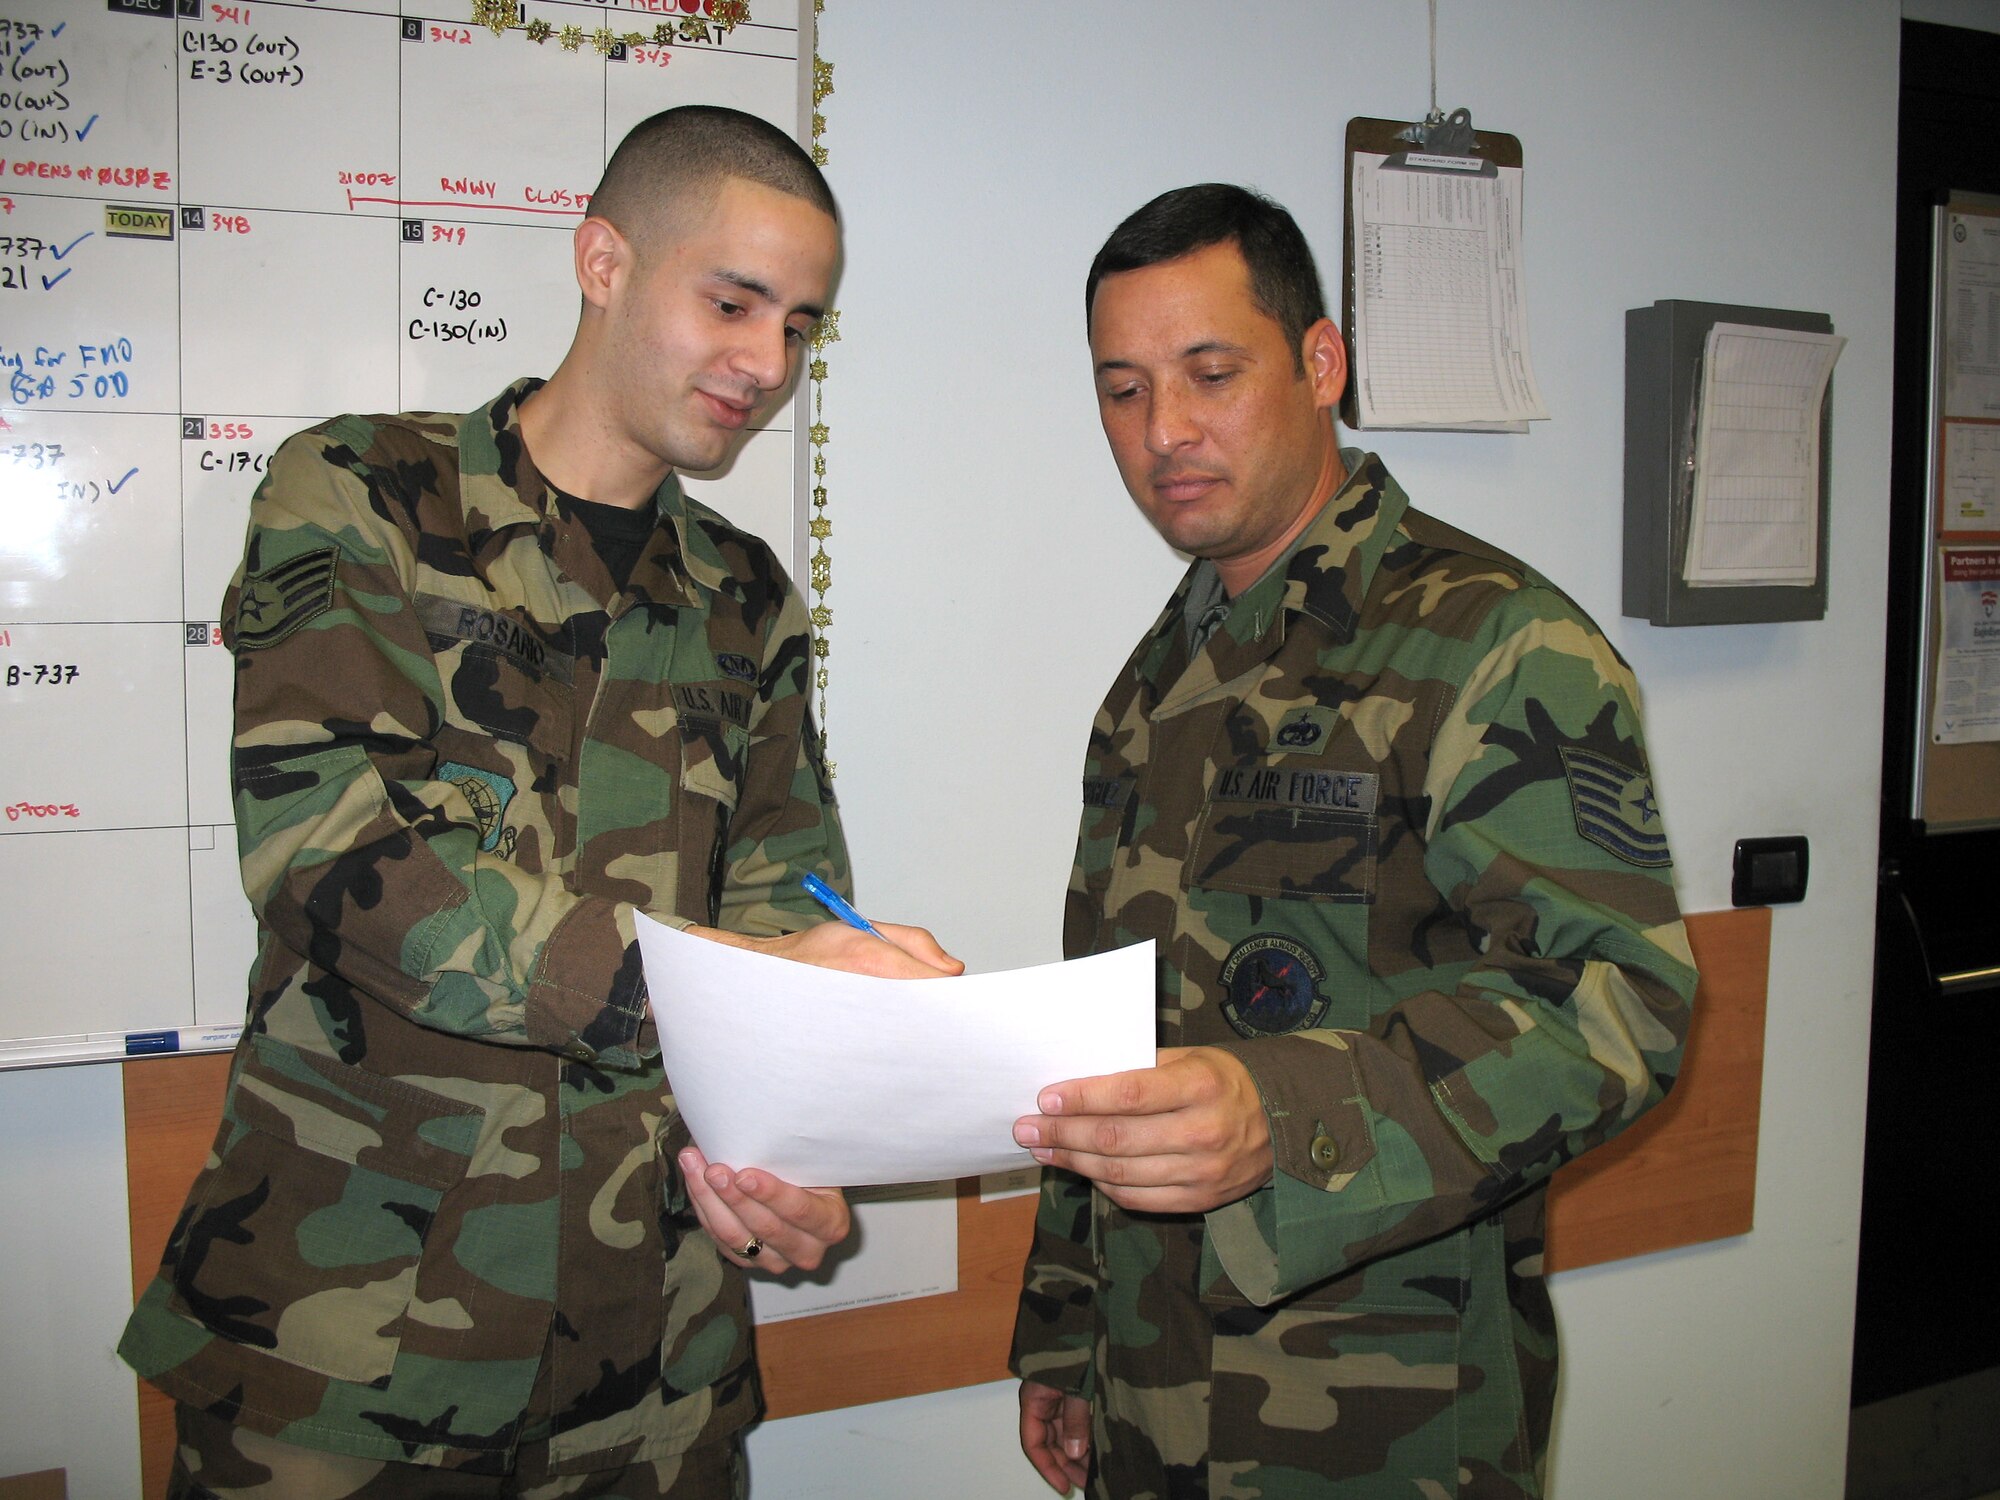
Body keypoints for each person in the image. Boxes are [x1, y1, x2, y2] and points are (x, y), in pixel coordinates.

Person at [119, 105, 958, 1499]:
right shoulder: (362, 495)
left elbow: (784, 892)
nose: (768, 365)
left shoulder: (745, 597)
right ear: (604, 260)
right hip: (348, 1352)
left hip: (652, 1368)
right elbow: (334, 859)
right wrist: (743, 983)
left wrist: (789, 1154)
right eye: (733, 301)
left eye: (800, 326)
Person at [1009, 184, 1697, 1499]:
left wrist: (1285, 1112)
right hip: (1152, 1393)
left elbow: (1622, 1004)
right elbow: (1096, 1036)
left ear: (1320, 364)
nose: (1166, 432)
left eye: (1212, 372)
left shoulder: (1493, 641)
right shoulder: (1156, 682)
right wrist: (1066, 1331)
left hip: (1380, 1415)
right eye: (1124, 389)